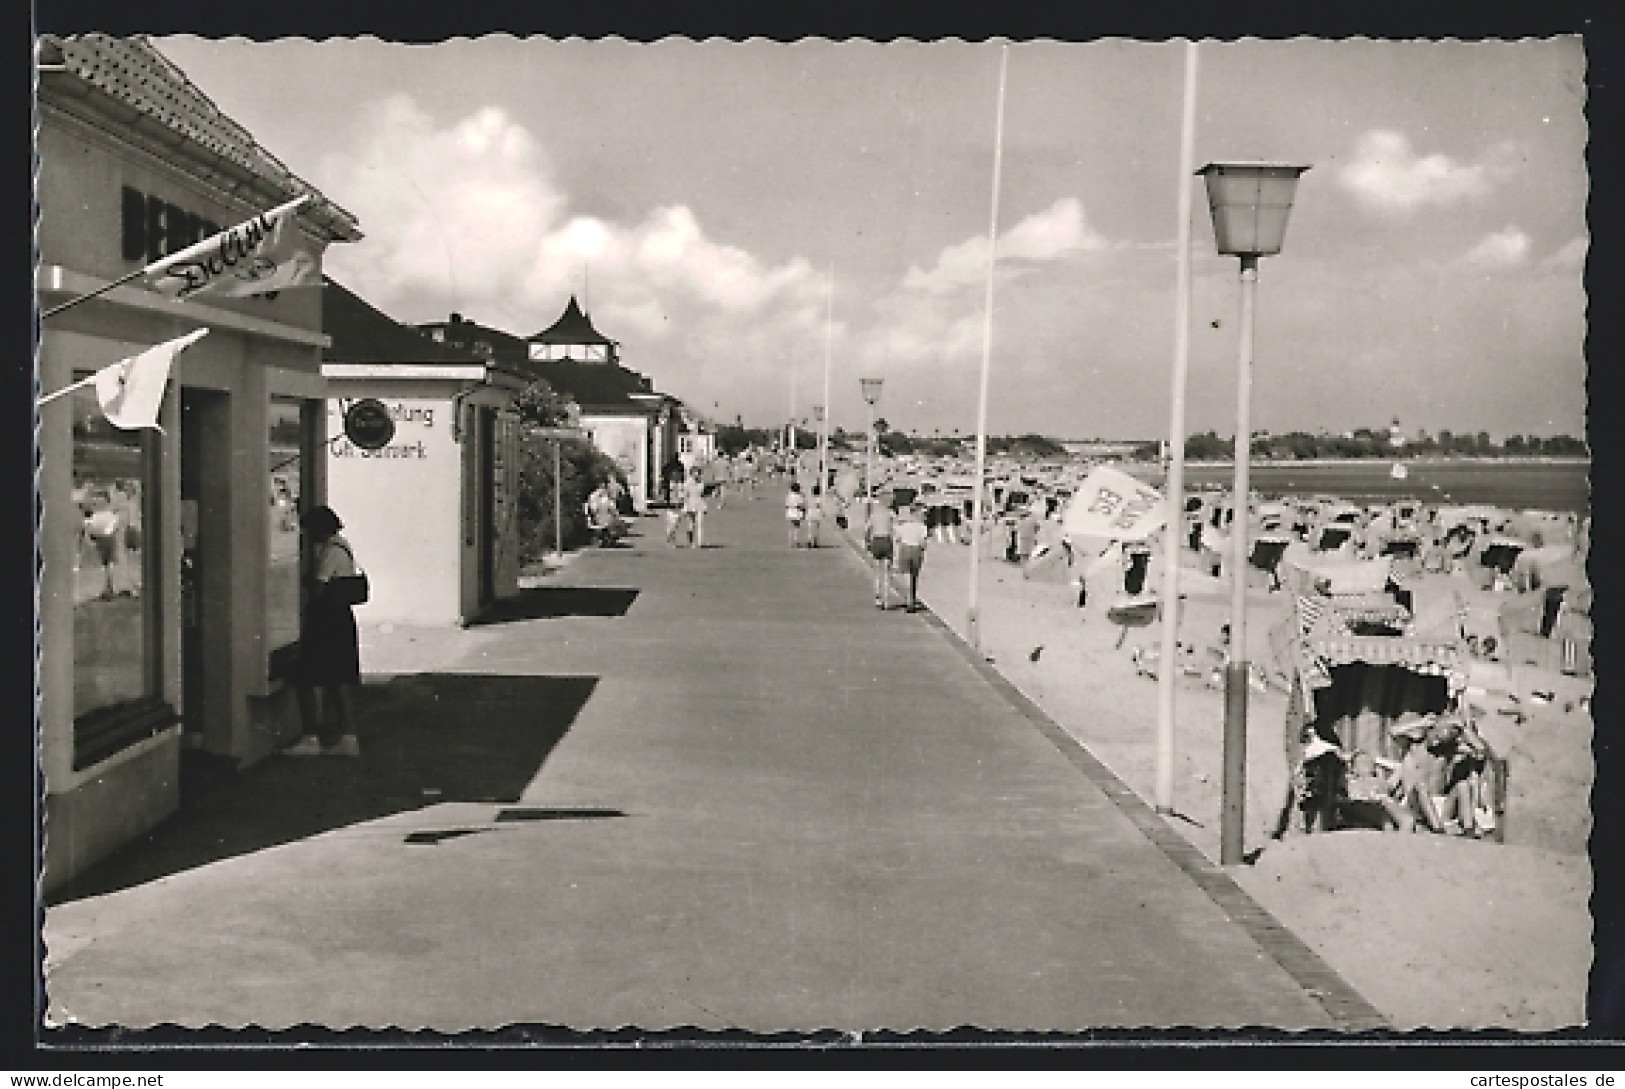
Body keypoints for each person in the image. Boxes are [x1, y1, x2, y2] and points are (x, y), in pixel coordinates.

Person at [285, 506, 363, 757]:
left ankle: (311, 736)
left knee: (311, 676)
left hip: (325, 620)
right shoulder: (344, 546)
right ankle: (348, 736)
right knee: (341, 677)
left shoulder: (331, 552)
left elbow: (319, 587)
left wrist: (306, 581)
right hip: (341, 619)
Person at [893, 501, 929, 612]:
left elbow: (897, 539)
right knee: (914, 576)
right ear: (917, 514)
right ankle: (911, 599)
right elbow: (923, 544)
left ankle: (909, 599)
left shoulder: (903, 526)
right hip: (916, 550)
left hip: (905, 548)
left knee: (906, 576)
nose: (925, 516)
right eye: (923, 514)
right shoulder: (922, 527)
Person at [866, 496, 896, 609]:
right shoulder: (890, 513)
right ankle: (887, 599)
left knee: (877, 572)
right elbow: (895, 528)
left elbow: (867, 528)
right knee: (887, 573)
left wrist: (867, 541)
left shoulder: (874, 514)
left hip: (876, 540)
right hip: (887, 541)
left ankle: (878, 598)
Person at [681, 465, 709, 548]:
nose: (697, 475)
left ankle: (700, 542)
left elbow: (702, 494)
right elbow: (685, 495)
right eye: (695, 473)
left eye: (698, 473)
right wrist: (685, 506)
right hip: (690, 504)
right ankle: (691, 541)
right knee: (691, 525)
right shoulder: (687, 483)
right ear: (691, 474)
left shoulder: (701, 482)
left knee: (700, 524)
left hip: (699, 504)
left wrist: (704, 505)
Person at [785, 481, 807, 547]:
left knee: (791, 527)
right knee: (797, 528)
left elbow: (786, 504)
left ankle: (790, 541)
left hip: (790, 511)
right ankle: (795, 541)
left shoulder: (789, 495)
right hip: (797, 512)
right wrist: (804, 512)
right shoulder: (799, 496)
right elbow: (802, 505)